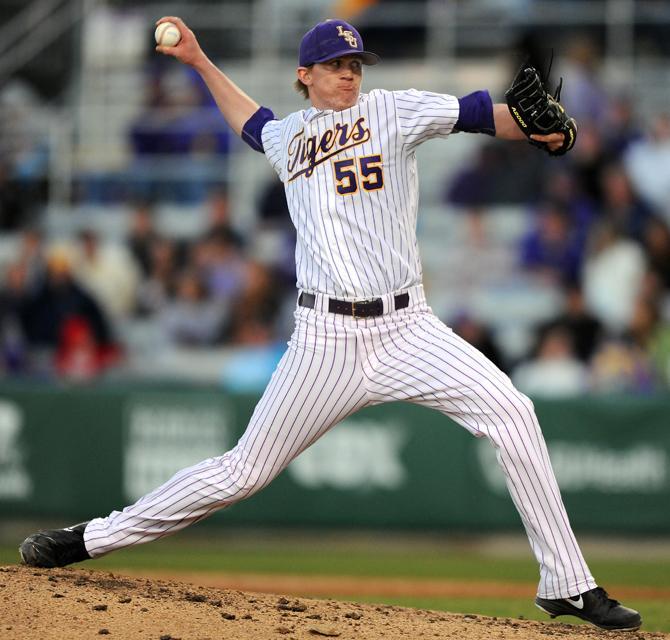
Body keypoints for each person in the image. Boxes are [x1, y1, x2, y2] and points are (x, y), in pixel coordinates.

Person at [19, 17, 641, 632]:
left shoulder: (392, 111)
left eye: (355, 65)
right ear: (305, 75)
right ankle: (89, 539)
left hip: (407, 329)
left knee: (514, 414)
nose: (349, 74)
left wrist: (544, 135)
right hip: (325, 342)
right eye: (337, 66)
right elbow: (251, 124)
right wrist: (203, 63)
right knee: (242, 472)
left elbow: (483, 112)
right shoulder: (289, 136)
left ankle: (568, 584)